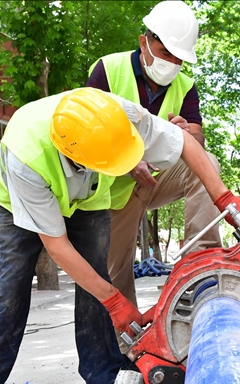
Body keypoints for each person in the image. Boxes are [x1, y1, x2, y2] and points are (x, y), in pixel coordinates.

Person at [0, 87, 240, 384]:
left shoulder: (117, 118)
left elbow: (185, 144)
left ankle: (103, 379)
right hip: (19, 200)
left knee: (97, 277)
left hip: (88, 198)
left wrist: (223, 196)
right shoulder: (27, 154)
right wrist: (116, 302)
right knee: (10, 287)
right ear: (77, 156)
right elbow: (58, 247)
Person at [87, 0, 221, 307]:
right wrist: (130, 159)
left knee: (206, 163)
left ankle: (201, 258)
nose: (172, 64)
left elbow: (197, 138)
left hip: (161, 178)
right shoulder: (108, 70)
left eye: (179, 59)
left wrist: (189, 133)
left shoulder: (185, 86)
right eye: (165, 54)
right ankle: (126, 347)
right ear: (144, 42)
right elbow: (89, 133)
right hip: (116, 189)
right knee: (115, 275)